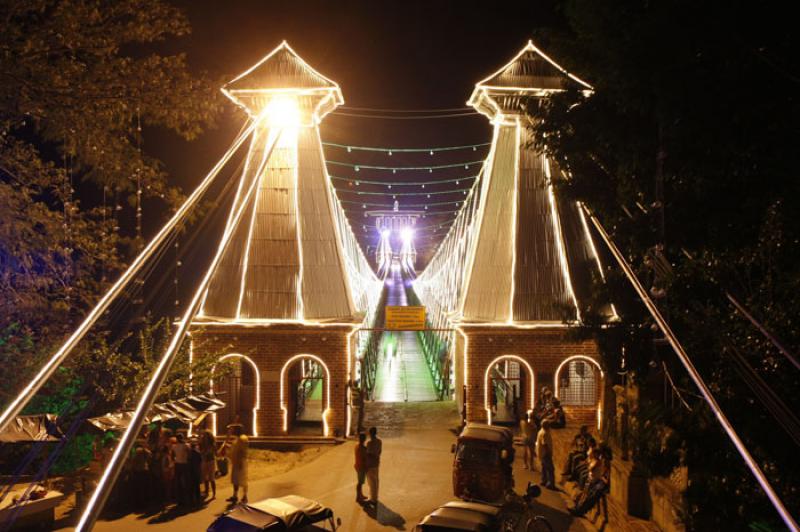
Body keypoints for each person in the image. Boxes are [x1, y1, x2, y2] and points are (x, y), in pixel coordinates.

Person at [227, 424, 249, 504]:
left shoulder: (242, 439)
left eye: (234, 430)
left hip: (240, 462)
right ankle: (235, 495)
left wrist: (240, 462)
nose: (233, 431)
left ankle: (244, 496)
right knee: (235, 480)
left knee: (242, 480)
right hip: (236, 462)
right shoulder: (238, 439)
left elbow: (242, 451)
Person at [130, 440, 151, 510]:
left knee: (138, 488)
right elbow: (150, 455)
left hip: (138, 470)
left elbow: (133, 461)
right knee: (143, 488)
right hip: (144, 469)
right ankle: (143, 503)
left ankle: (138, 503)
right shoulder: (145, 451)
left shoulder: (136, 451)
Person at [365, 426, 382, 507]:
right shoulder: (379, 441)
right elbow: (379, 452)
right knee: (376, 481)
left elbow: (368, 454)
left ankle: (373, 499)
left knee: (371, 482)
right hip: (376, 463)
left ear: (370, 433)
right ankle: (375, 497)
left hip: (370, 464)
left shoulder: (369, 443)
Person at [536, 420, 555, 489]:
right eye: (548, 424)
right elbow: (545, 444)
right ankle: (550, 483)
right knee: (550, 469)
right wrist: (549, 453)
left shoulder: (540, 431)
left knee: (544, 467)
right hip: (545, 453)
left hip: (541, 453)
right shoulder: (545, 433)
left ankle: (543, 480)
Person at [172, 432, 190, 505]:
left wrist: (175, 460)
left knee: (178, 481)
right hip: (184, 464)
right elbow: (189, 454)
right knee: (185, 481)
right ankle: (185, 498)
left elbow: (172, 456)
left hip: (177, 464)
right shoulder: (186, 445)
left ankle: (179, 499)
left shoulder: (174, 446)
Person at [199, 429, 217, 499]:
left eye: (206, 435)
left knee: (211, 478)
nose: (204, 437)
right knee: (205, 478)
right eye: (204, 435)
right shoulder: (202, 444)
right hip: (204, 461)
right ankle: (206, 491)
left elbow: (216, 453)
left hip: (211, 461)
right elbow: (200, 452)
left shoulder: (212, 444)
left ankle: (214, 493)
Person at [354, 432, 368, 503]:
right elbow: (364, 459)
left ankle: (360, 495)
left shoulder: (356, 446)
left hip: (357, 465)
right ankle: (358, 497)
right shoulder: (363, 448)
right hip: (361, 467)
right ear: (364, 439)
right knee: (360, 483)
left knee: (360, 482)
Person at [189, 438, 203, 506]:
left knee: (191, 486)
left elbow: (187, 462)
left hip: (191, 471)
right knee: (197, 486)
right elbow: (200, 461)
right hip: (196, 471)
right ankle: (198, 499)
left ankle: (191, 500)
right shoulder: (198, 453)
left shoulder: (189, 454)